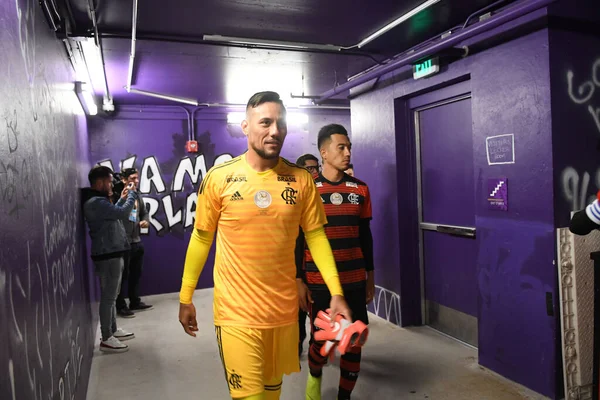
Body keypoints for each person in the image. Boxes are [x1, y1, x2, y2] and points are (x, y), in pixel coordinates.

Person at [178, 91, 352, 400]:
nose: (275, 131)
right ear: (246, 127)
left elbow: (315, 237)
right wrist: (185, 296)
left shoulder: (301, 180)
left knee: (272, 394)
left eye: (280, 123)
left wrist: (336, 292)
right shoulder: (220, 178)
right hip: (236, 315)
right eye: (265, 122)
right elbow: (202, 237)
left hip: (282, 315)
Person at [297, 124, 375, 400]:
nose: (347, 152)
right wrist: (299, 280)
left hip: (353, 279)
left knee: (354, 341)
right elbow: (298, 239)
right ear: (324, 152)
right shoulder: (308, 189)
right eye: (341, 147)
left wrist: (370, 277)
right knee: (324, 341)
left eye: (349, 147)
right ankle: (315, 374)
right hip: (318, 282)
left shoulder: (361, 190)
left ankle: (344, 396)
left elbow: (365, 236)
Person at [82, 166, 137, 353]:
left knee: (112, 296)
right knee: (108, 297)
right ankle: (107, 338)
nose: (111, 184)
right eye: (108, 181)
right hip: (108, 256)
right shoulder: (95, 202)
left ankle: (112, 330)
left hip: (111, 253)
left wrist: (122, 198)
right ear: (99, 183)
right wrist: (132, 195)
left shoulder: (98, 202)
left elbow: (114, 212)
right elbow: (121, 214)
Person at [116, 168, 153, 318]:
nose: (136, 181)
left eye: (137, 178)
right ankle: (120, 305)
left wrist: (146, 220)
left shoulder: (137, 195)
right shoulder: (119, 196)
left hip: (136, 241)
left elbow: (144, 211)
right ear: (124, 180)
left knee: (136, 274)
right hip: (122, 243)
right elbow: (115, 213)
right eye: (133, 178)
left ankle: (134, 301)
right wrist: (123, 198)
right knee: (121, 277)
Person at [294, 153, 320, 357]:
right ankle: (296, 347)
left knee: (318, 314)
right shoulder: (291, 197)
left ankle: (316, 348)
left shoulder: (319, 197)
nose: (314, 172)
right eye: (310, 169)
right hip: (295, 268)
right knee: (297, 313)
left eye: (316, 168)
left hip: (317, 267)